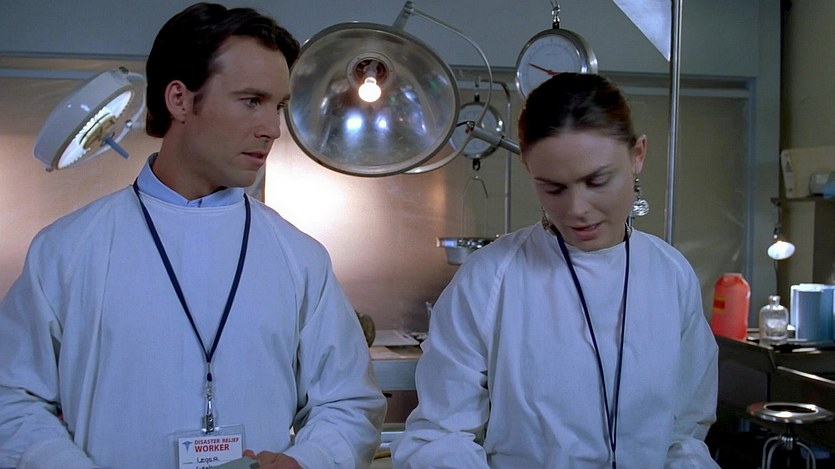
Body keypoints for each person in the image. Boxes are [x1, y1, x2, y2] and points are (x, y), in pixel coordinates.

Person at [0, 3, 386, 468]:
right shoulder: (67, 251)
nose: (272, 130)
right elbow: (12, 400)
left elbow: (348, 403)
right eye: (251, 101)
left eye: (278, 106)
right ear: (180, 100)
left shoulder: (300, 258)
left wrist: (307, 460)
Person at [391, 73, 719, 468]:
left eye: (597, 181)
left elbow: (683, 434)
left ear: (638, 155)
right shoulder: (490, 279)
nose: (576, 209)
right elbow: (442, 435)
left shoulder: (671, 275)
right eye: (553, 188)